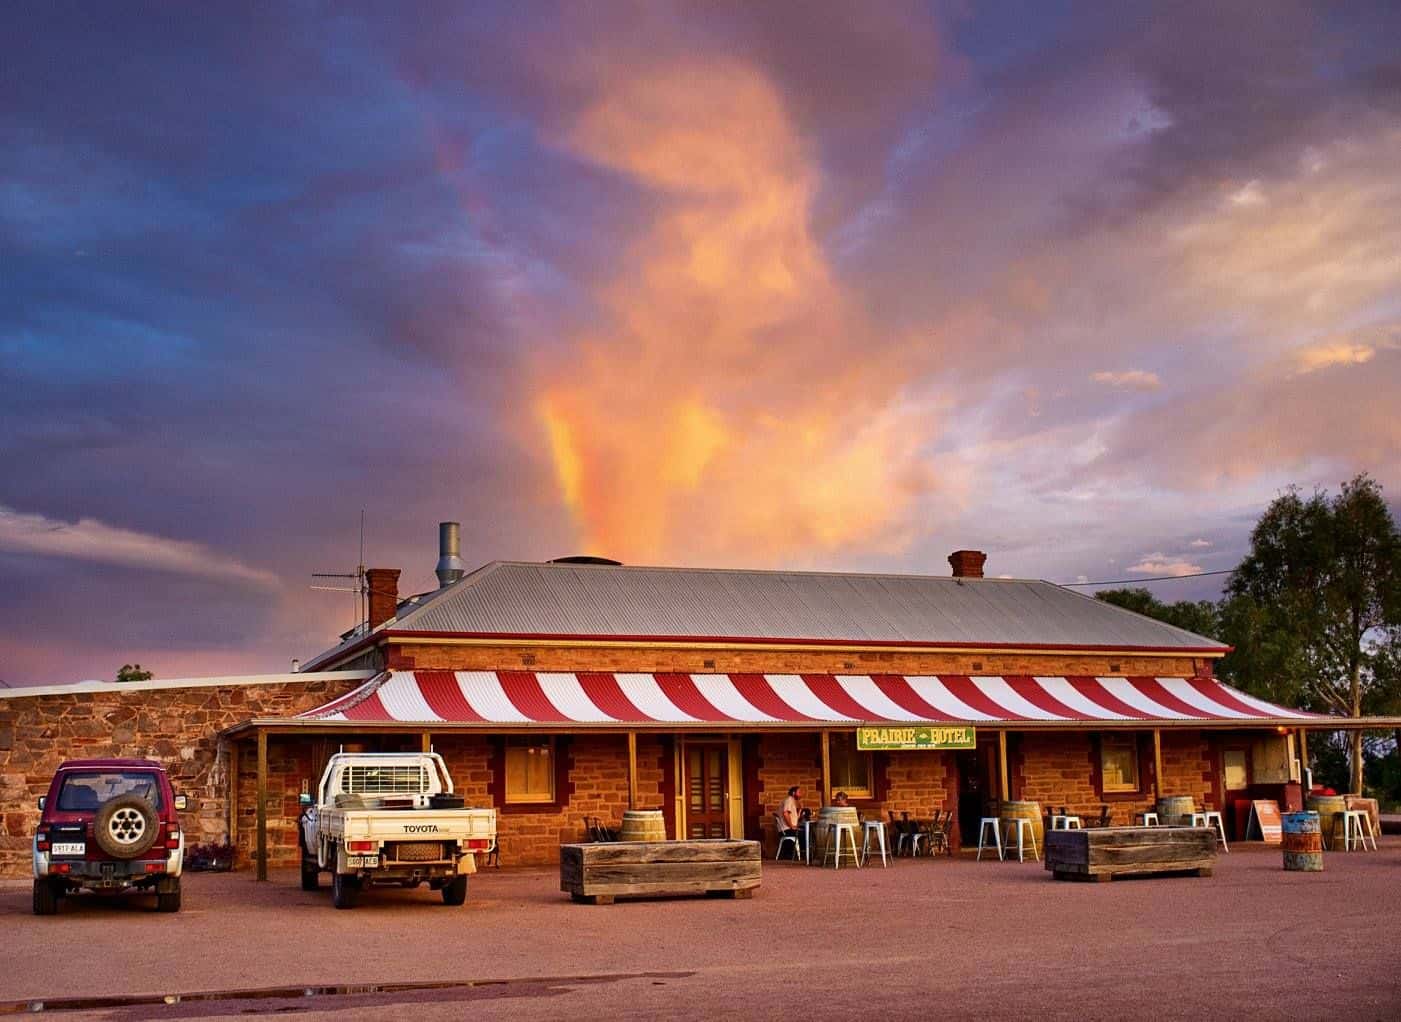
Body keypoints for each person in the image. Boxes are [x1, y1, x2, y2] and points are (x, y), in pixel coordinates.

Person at [780, 785, 804, 860]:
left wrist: (800, 809)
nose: (801, 794)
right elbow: (785, 813)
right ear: (793, 793)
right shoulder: (789, 800)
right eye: (799, 792)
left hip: (789, 828)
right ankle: (803, 855)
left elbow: (796, 818)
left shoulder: (792, 801)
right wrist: (791, 826)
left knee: (805, 831)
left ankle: (800, 854)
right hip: (787, 829)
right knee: (806, 833)